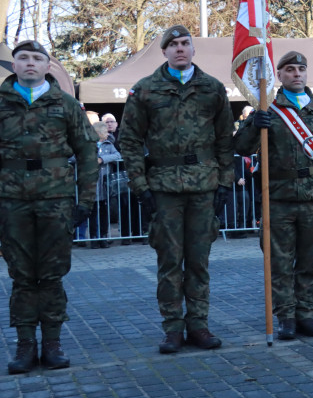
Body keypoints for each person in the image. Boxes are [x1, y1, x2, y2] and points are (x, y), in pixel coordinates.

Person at [119, 25, 234, 354]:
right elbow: (128, 141)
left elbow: (225, 140)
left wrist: (225, 183)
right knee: (169, 262)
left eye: (185, 43)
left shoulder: (212, 89)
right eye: (173, 45)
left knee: (199, 261)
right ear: (165, 51)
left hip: (203, 186)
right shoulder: (146, 90)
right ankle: (172, 328)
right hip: (164, 187)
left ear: (193, 50)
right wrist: (140, 186)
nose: (180, 49)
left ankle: (198, 324)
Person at [233, 51, 313, 340]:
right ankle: (285, 316)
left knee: (311, 261)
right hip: (278, 198)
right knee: (279, 262)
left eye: (301, 69)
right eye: (290, 69)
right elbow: (242, 148)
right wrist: (254, 125)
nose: (297, 74)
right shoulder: (268, 108)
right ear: (279, 75)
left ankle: (306, 313)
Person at [2, 40, 97, 375]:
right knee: (22, 275)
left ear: (47, 66)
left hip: (55, 201)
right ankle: (25, 345)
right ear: (14, 65)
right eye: (23, 58)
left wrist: (85, 201)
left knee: (53, 274)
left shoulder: (66, 104)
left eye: (37, 58)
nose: (30, 63)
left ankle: (53, 342)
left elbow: (87, 155)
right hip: (11, 202)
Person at [90, 121, 122, 249]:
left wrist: (102, 159)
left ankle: (103, 236)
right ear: (98, 133)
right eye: (104, 132)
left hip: (104, 184)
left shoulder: (108, 144)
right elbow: (76, 157)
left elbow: (117, 155)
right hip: (92, 184)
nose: (107, 134)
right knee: (93, 212)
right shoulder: (89, 144)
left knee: (104, 212)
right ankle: (93, 238)